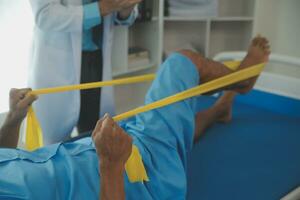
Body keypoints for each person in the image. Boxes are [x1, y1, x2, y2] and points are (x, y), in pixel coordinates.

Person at [0, 36, 270, 199]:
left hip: (95, 148)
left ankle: (219, 111)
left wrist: (13, 119)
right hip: (143, 178)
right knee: (183, 62)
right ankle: (242, 82)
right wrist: (111, 164)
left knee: (170, 126)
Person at [28, 0, 141, 145]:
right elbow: (44, 14)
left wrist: (126, 7)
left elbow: (120, 18)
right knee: (52, 146)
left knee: (95, 138)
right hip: (58, 63)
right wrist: (103, 7)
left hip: (96, 58)